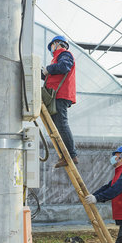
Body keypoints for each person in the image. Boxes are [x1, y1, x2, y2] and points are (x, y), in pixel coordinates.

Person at [42, 35, 78, 168]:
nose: (51, 49)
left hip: (60, 95)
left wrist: (49, 69)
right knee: (57, 127)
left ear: (58, 44)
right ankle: (65, 155)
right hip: (56, 95)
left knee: (62, 125)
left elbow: (64, 67)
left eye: (52, 45)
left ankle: (72, 155)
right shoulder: (56, 59)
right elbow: (52, 74)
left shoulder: (65, 54)